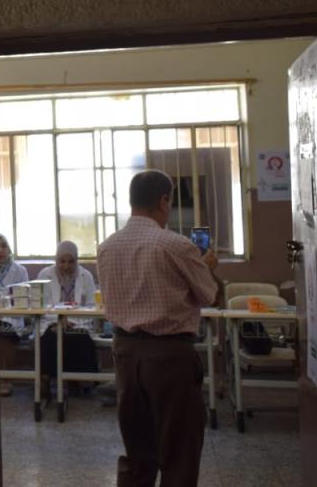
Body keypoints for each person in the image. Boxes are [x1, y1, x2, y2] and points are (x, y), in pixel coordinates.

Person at [96, 170, 220, 487]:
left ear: (131, 200)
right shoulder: (175, 245)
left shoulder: (107, 247)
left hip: (124, 354)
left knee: (137, 451)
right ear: (164, 201)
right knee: (178, 451)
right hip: (169, 356)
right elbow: (210, 295)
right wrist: (206, 268)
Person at [37, 240, 99, 392]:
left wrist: (70, 320)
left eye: (71, 261)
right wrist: (58, 321)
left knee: (80, 338)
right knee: (50, 337)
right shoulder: (45, 275)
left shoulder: (86, 276)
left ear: (76, 260)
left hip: (79, 323)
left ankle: (81, 379)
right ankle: (45, 379)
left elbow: (91, 306)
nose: (66, 266)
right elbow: (42, 305)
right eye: (62, 261)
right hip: (50, 322)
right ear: (56, 259)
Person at [0, 234, 27, 395]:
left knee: (3, 335)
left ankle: (4, 379)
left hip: (12, 319)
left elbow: (26, 299)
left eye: (3, 246)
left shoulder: (20, 271)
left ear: (9, 249)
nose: (0, 250)